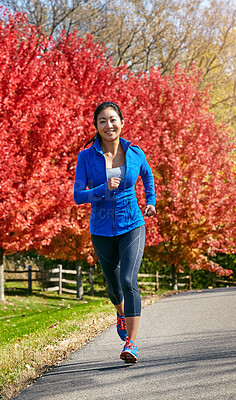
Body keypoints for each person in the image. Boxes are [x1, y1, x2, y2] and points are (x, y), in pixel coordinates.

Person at [74, 101, 156, 363]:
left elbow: (147, 176)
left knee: (129, 281)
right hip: (100, 229)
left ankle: (131, 343)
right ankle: (120, 312)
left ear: (122, 122)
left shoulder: (135, 152)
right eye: (102, 121)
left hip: (132, 223)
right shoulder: (86, 157)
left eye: (112, 120)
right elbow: (78, 195)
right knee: (113, 286)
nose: (108, 125)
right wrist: (102, 189)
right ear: (96, 126)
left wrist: (151, 201)